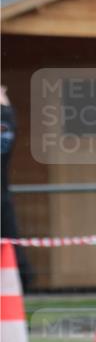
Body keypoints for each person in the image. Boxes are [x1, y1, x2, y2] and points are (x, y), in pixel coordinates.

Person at [1, 85, 33, 290]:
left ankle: (21, 278)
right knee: (9, 242)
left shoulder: (5, 125)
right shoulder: (7, 124)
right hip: (3, 197)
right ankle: (21, 279)